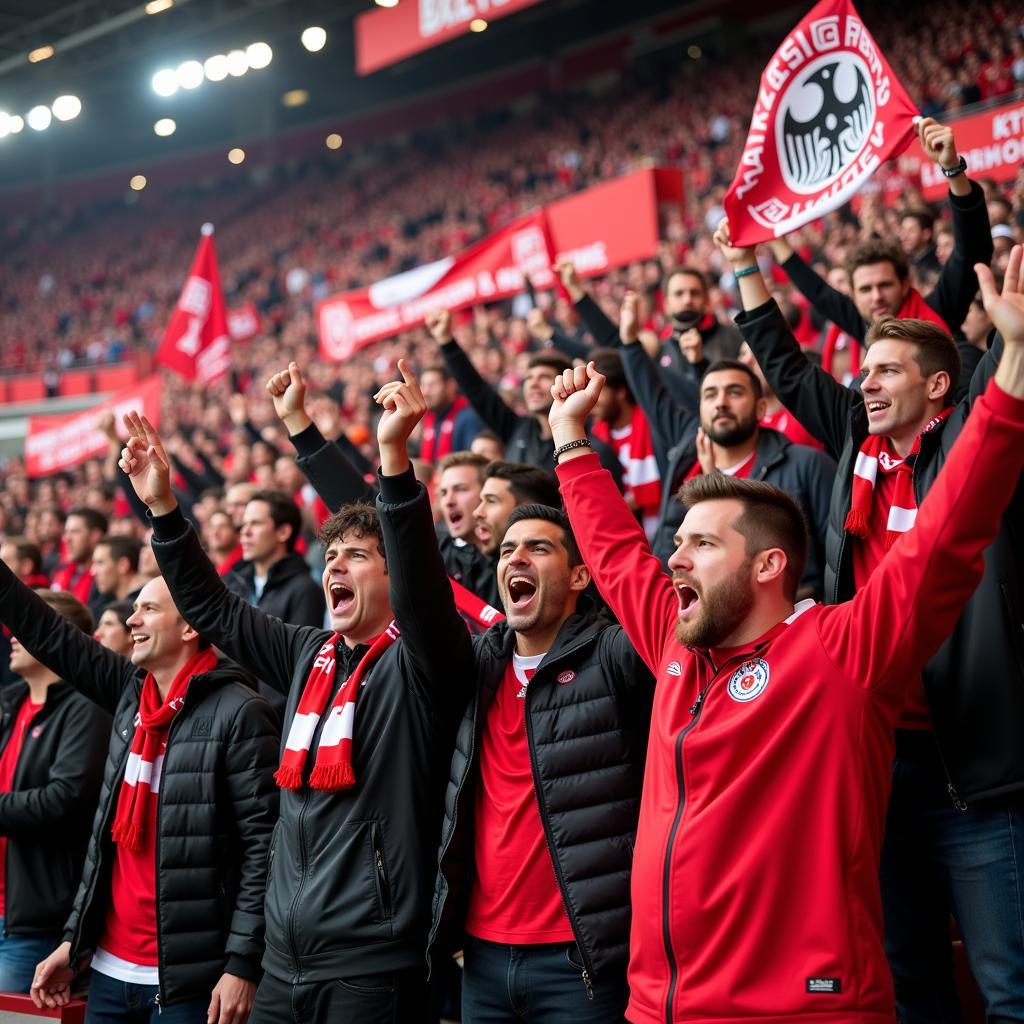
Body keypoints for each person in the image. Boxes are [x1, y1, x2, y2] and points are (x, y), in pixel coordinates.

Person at [545, 248, 1024, 1022]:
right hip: (658, 1009)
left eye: (702, 543)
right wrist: (570, 440)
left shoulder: (843, 651)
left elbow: (948, 533)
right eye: (679, 540)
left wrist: (1011, 380)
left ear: (769, 564)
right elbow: (613, 555)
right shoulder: (676, 641)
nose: (675, 554)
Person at [119, 393, 476, 1022]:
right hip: (283, 964)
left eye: (357, 556)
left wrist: (393, 457)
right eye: (331, 556)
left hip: (371, 970)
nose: (335, 564)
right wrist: (163, 508)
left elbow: (424, 582)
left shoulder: (424, 662)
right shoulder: (307, 654)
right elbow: (215, 610)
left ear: (395, 579)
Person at [368, 362, 653, 1023]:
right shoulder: (474, 668)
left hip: (585, 963)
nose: (514, 559)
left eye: (539, 549)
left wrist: (569, 434)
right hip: (483, 963)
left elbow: (633, 573)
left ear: (581, 575)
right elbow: (418, 599)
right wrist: (394, 458)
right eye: (507, 551)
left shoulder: (614, 656)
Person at [7, 567, 279, 1020]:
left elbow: (264, 850)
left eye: (148, 609)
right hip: (110, 972)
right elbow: (48, 632)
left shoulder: (241, 712)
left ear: (191, 626)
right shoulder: (132, 697)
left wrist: (242, 965)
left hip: (191, 981)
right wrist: (73, 941)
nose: (132, 620)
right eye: (132, 609)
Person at [616, 292, 835, 591]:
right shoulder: (690, 483)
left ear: (760, 408)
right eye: (710, 395)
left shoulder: (807, 466)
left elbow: (838, 563)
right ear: (701, 408)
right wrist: (629, 343)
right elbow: (665, 576)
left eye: (734, 392)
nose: (721, 403)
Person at [768, 118, 992, 348]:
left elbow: (972, 250)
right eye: (865, 289)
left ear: (905, 284)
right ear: (853, 295)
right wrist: (775, 241)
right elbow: (818, 291)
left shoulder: (939, 310)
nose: (876, 297)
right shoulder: (864, 325)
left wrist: (953, 168)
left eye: (885, 285)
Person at [0, 591, 109, 993]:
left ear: (54, 636)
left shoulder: (85, 708)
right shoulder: (11, 704)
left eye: (25, 627)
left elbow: (64, 799)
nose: (12, 635)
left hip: (36, 920)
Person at [426, 309, 623, 482]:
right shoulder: (515, 429)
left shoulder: (592, 449)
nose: (533, 384)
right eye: (528, 378)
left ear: (566, 383)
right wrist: (446, 342)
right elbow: (478, 391)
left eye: (544, 377)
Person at [588, 348, 663, 540]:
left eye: (598, 391)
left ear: (621, 391)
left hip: (662, 532)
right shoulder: (595, 435)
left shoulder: (655, 424)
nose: (591, 400)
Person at [225, 491, 325, 627]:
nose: (245, 532)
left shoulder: (306, 591)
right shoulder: (233, 583)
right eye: (244, 524)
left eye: (255, 523)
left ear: (283, 532)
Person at [418, 364, 485, 463]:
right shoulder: (428, 420)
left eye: (432, 385)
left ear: (450, 386)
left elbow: (474, 461)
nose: (426, 392)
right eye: (423, 385)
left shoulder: (468, 418)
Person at [51, 507, 108, 609]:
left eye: (75, 532)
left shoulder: (105, 581)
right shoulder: (60, 571)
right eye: (66, 532)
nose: (66, 539)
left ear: (95, 535)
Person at [91, 537, 148, 617]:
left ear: (122, 565)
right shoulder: (102, 602)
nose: (93, 572)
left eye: (100, 563)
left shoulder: (146, 604)